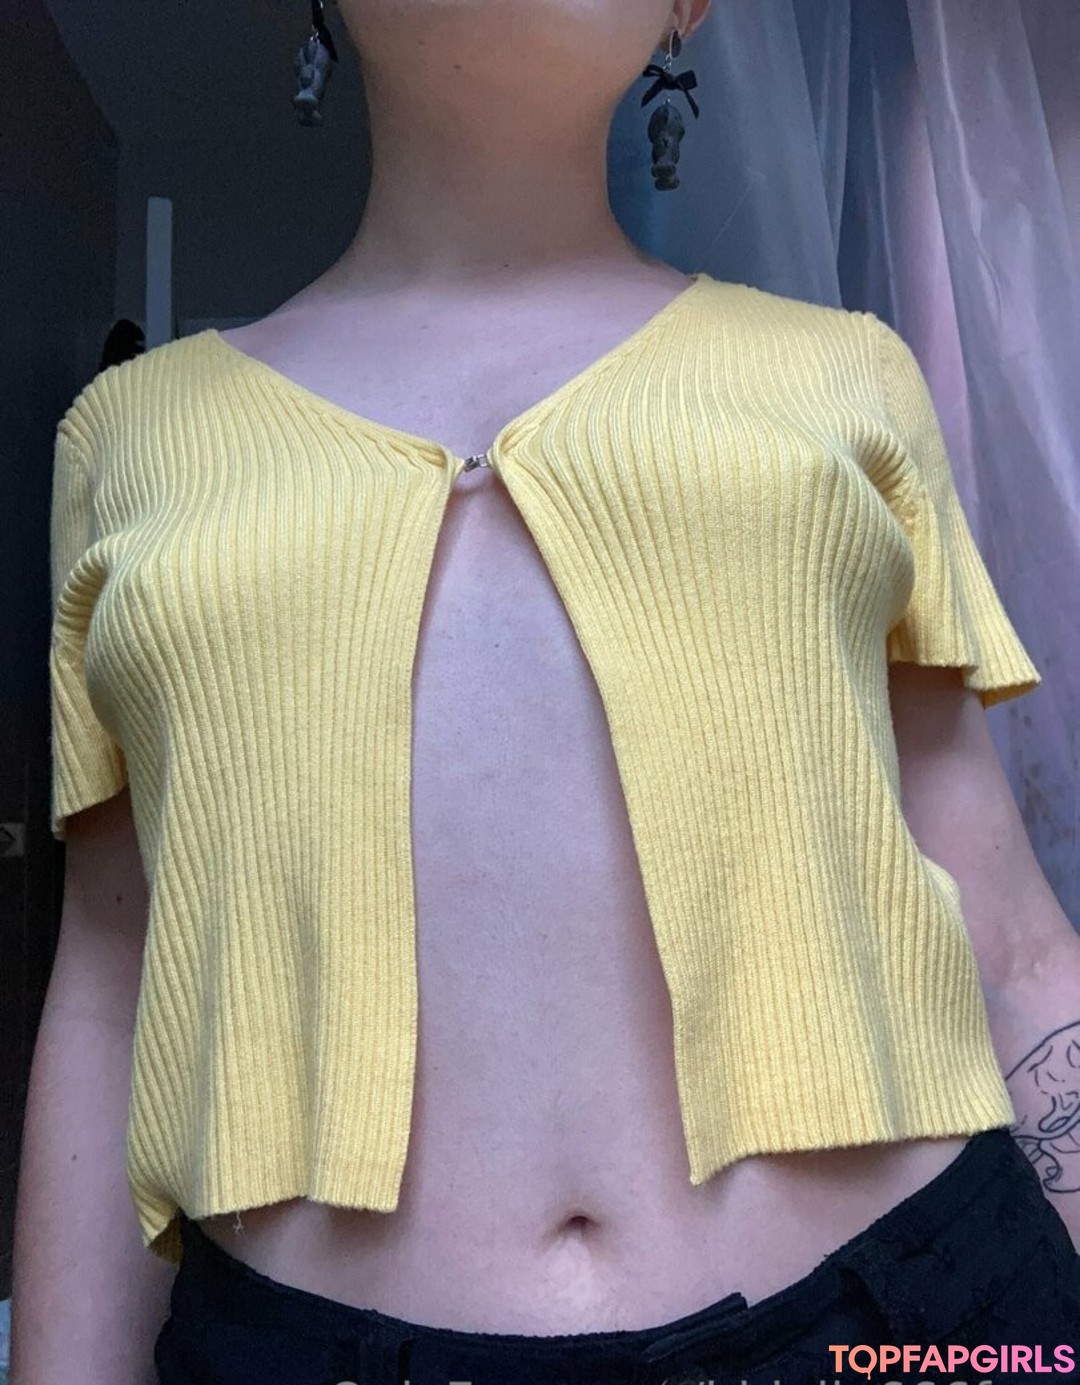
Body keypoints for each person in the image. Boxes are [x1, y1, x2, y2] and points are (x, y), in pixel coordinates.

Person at [13, 1, 1080, 1383]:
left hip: (917, 1324)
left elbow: (1010, 941)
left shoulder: (849, 373)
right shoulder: (128, 436)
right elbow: (113, 987)